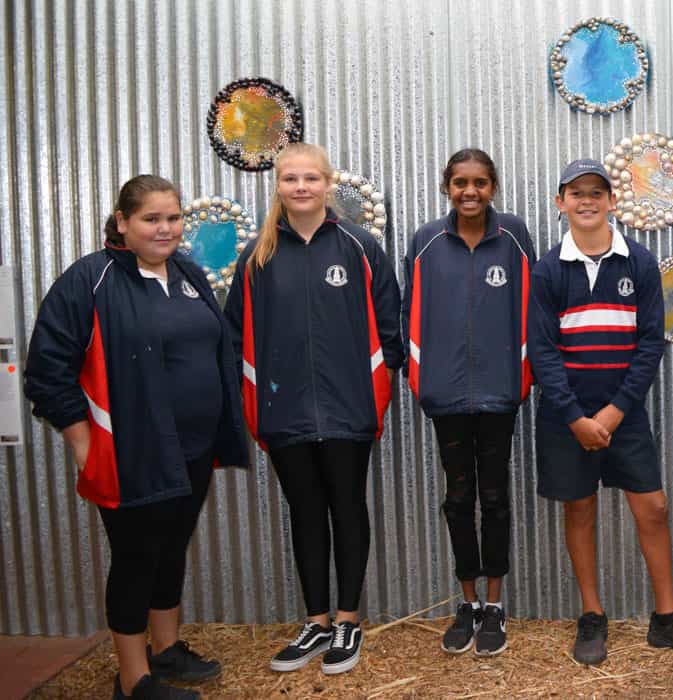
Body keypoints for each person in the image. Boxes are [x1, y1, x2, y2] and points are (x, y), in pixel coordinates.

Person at [25, 175, 249, 699]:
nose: (165, 228)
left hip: (192, 447)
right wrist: (84, 443)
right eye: (151, 219)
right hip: (130, 450)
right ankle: (132, 679)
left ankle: (165, 651)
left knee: (171, 549)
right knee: (136, 557)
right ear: (122, 222)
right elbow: (47, 371)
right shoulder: (90, 279)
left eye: (173, 218)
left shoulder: (188, 273)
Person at [528, 159, 673, 665]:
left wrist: (615, 412)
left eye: (597, 192)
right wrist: (576, 417)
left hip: (624, 413)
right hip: (567, 416)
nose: (587, 201)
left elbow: (649, 344)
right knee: (580, 509)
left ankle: (667, 618)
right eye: (576, 193)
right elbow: (543, 352)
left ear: (613, 201)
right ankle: (592, 615)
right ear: (560, 203)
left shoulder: (637, 261)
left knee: (653, 508)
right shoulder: (548, 270)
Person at [224, 143, 404, 675]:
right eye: (290, 179)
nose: (300, 187)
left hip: (349, 408)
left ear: (328, 184)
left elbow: (390, 327)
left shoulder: (360, 246)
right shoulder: (256, 256)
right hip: (284, 409)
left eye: (310, 178)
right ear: (277, 186)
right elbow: (235, 335)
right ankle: (317, 621)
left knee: (347, 508)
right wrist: (256, 394)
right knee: (304, 512)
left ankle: (348, 620)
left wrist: (375, 385)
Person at [402, 148, 535, 656]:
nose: (470, 191)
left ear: (493, 186)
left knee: (495, 498)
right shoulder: (426, 241)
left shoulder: (514, 236)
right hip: (447, 395)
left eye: (480, 182)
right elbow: (408, 313)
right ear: (447, 187)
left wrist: (522, 374)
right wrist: (421, 377)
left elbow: (532, 306)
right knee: (458, 498)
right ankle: (468, 603)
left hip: (501, 393)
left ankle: (495, 606)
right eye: (460, 182)